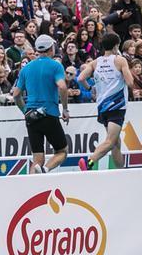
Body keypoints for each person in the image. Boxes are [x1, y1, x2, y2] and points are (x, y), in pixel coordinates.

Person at [12, 34, 70, 173]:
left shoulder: (26, 68)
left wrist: (25, 111)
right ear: (51, 49)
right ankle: (45, 169)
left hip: (32, 115)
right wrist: (65, 109)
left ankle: (30, 187)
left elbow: (16, 94)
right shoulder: (56, 66)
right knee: (62, 151)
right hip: (49, 113)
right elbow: (62, 87)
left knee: (37, 158)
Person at [77, 32, 134, 171]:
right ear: (116, 45)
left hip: (102, 106)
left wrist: (91, 88)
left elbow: (80, 78)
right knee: (111, 141)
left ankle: (120, 171)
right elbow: (130, 82)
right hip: (117, 105)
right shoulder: (120, 60)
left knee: (116, 143)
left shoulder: (95, 62)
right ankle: (89, 161)